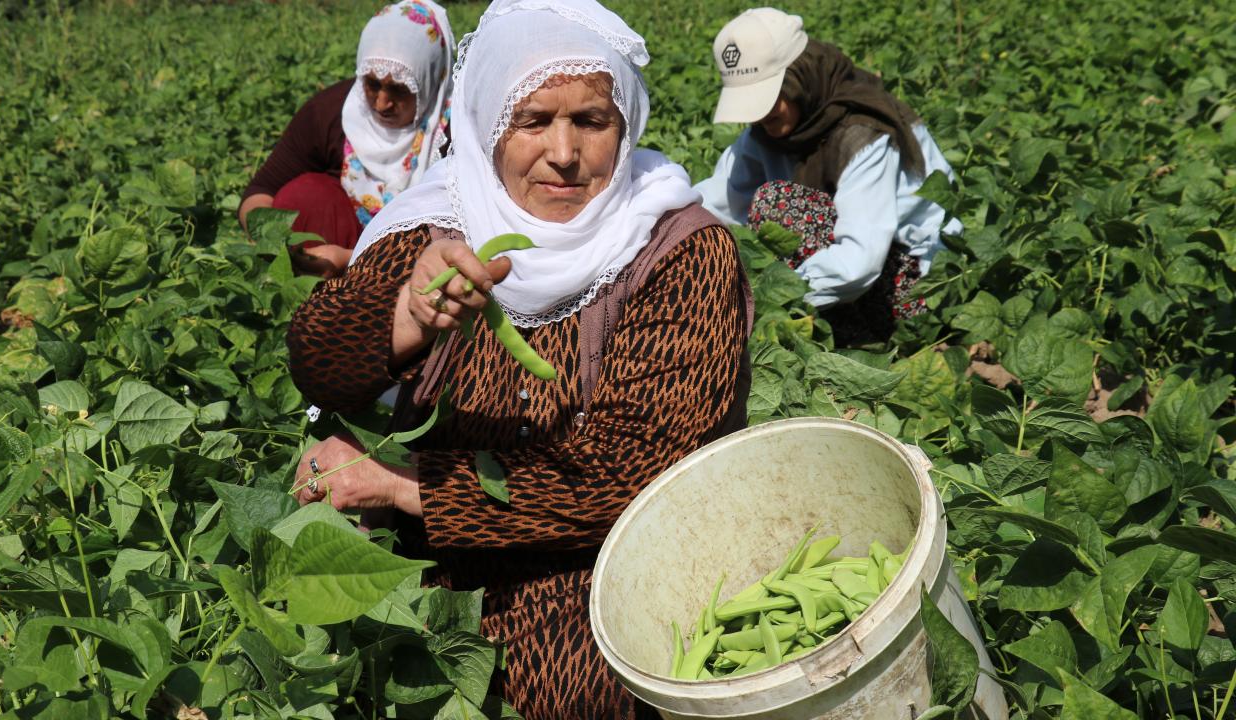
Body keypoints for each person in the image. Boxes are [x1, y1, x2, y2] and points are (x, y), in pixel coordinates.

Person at [284, 0, 752, 716]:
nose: (563, 152)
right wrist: (409, 317)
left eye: (591, 121)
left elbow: (631, 474)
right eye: (533, 120)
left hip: (597, 560)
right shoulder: (439, 223)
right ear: (487, 125)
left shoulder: (678, 251)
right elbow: (317, 362)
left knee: (586, 688)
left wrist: (403, 485)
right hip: (426, 555)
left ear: (626, 124)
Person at [695, 7, 963, 345]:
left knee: (778, 205)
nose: (760, 115)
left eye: (768, 98)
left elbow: (860, 261)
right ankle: (838, 334)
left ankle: (864, 337)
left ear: (799, 77)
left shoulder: (862, 134)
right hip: (852, 272)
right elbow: (718, 201)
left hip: (916, 281)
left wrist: (771, 299)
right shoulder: (770, 131)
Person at [240, 1, 453, 278]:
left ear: (430, 80)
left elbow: (465, 237)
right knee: (305, 194)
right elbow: (260, 192)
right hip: (333, 244)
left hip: (418, 270)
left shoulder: (454, 132)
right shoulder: (331, 112)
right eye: (372, 84)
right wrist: (276, 246)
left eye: (399, 88)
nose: (382, 103)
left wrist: (350, 259)